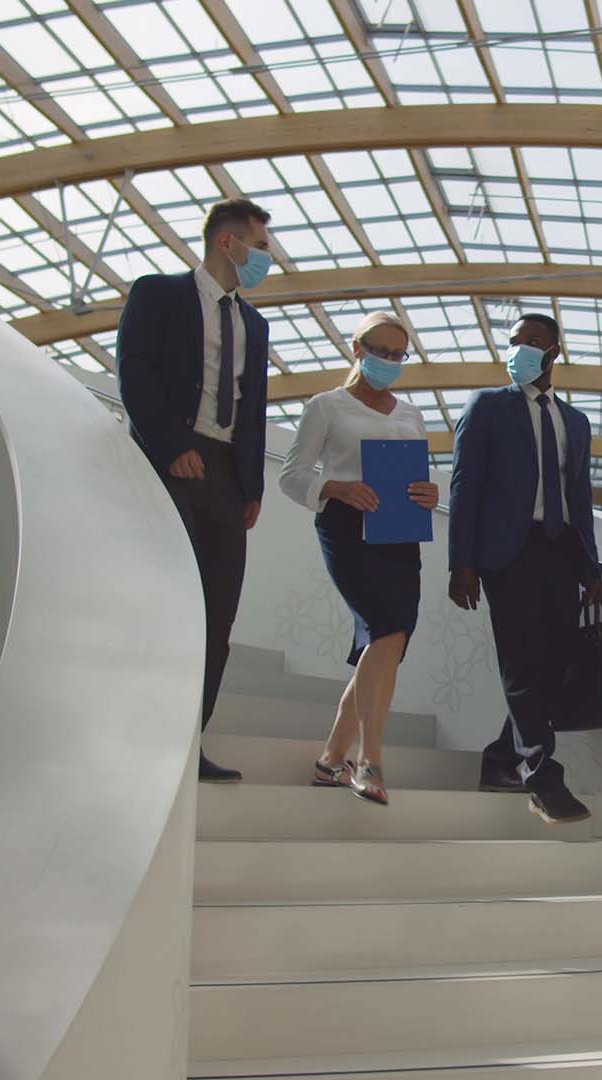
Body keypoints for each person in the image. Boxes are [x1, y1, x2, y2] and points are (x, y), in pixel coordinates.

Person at [116, 198, 274, 783]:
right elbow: (134, 372)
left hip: (228, 478)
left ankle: (188, 741)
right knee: (162, 602)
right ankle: (135, 731)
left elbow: (253, 408)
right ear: (226, 244)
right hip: (172, 460)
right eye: (260, 247)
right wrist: (169, 444)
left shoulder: (254, 324)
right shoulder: (158, 293)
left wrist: (251, 483)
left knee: (217, 614)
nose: (266, 259)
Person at [449, 313, 602, 824]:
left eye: (533, 343)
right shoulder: (489, 407)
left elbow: (579, 499)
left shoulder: (575, 422)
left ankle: (499, 758)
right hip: (506, 554)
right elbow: (464, 486)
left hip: (560, 549)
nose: (520, 350)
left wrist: (590, 568)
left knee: (554, 664)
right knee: (521, 660)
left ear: (555, 352)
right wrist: (461, 563)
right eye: (514, 342)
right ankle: (542, 776)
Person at [278, 312, 438, 804]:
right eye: (380, 351)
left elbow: (416, 476)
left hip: (400, 532)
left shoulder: (411, 414)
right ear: (357, 348)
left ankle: (329, 761)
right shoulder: (325, 406)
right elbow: (292, 475)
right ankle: (368, 761)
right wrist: (336, 487)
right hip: (347, 529)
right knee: (386, 629)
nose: (388, 361)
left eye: (397, 355)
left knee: (388, 645)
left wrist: (428, 494)